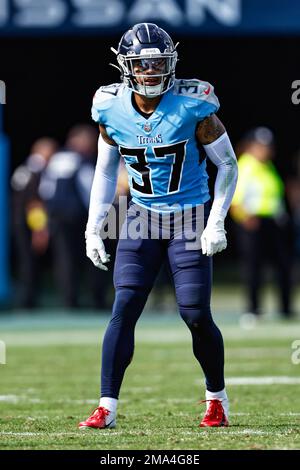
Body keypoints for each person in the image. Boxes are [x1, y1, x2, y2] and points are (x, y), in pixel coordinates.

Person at [79, 23, 238, 429]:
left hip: (189, 214)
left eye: (157, 63)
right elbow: (104, 168)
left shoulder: (192, 103)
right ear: (125, 66)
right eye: (142, 64)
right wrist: (93, 226)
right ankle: (107, 407)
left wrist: (215, 221)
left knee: (195, 314)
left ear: (171, 64)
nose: (150, 72)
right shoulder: (109, 105)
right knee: (124, 307)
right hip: (139, 216)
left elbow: (228, 165)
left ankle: (216, 398)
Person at [231, 127, 293, 322]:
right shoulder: (245, 166)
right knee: (253, 268)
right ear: (251, 147)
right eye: (261, 146)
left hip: (273, 222)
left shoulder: (269, 167)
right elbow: (234, 198)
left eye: (268, 146)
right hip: (252, 223)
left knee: (283, 265)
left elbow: (274, 195)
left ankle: (285, 309)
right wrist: (245, 218)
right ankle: (253, 309)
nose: (265, 150)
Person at [11, 137, 58, 308]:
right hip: (29, 223)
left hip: (19, 221)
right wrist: (39, 229)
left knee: (26, 262)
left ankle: (27, 299)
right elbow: (33, 203)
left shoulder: (24, 168)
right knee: (29, 262)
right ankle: (27, 301)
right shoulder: (36, 171)